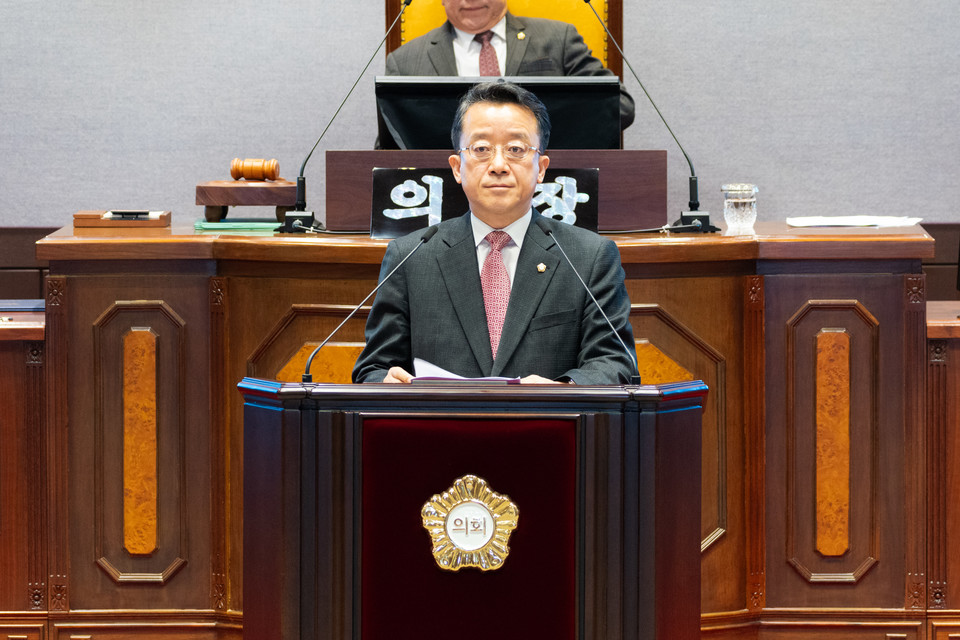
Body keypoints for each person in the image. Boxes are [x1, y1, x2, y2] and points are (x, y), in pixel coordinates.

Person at [352, 81, 636, 384]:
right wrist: (385, 381)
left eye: (515, 149)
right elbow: (373, 368)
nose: (498, 165)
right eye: (481, 149)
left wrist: (563, 390)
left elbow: (615, 363)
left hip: (549, 426)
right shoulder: (411, 256)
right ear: (457, 167)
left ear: (541, 168)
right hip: (441, 427)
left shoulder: (589, 257)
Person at [384, 0, 635, 129]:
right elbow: (389, 148)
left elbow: (619, 108)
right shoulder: (405, 61)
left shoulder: (558, 39)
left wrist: (532, 125)